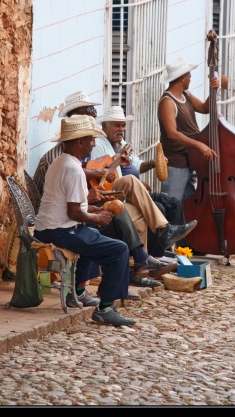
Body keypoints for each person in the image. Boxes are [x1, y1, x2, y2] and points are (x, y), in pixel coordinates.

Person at [32, 91, 179, 285]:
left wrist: (95, 199)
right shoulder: (60, 160)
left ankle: (141, 263)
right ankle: (111, 294)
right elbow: (66, 202)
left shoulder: (74, 156)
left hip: (73, 213)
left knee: (135, 213)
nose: (94, 114)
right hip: (61, 221)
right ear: (79, 137)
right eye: (89, 112)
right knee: (110, 240)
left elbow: (81, 188)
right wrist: (94, 212)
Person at [34, 115, 137, 326]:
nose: (93, 144)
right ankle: (106, 308)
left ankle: (78, 291)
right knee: (119, 250)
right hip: (58, 230)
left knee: (94, 235)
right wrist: (97, 217)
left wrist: (93, 210)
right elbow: (74, 213)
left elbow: (72, 206)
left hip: (51, 226)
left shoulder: (62, 162)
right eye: (90, 139)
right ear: (79, 141)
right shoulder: (73, 169)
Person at [94, 105, 186, 258]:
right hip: (116, 191)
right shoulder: (99, 145)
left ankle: (158, 253)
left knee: (172, 202)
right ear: (104, 126)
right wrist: (131, 177)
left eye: (123, 125)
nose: (121, 129)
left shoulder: (123, 144)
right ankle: (162, 241)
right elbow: (102, 174)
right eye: (116, 125)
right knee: (154, 201)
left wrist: (153, 163)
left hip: (132, 190)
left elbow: (137, 164)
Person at [157, 58, 220, 202]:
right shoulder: (168, 102)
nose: (191, 79)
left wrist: (213, 91)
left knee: (187, 203)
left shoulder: (186, 95)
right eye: (189, 76)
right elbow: (172, 133)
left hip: (191, 158)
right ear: (182, 78)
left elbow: (205, 108)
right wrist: (199, 145)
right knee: (172, 204)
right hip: (176, 162)